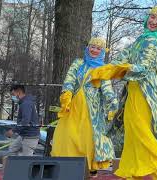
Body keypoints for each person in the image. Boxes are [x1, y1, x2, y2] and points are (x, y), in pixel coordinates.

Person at [91, 6, 157, 179]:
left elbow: (143, 69)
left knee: (141, 133)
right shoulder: (142, 39)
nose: (154, 22)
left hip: (144, 94)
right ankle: (133, 175)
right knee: (132, 135)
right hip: (133, 92)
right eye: (152, 17)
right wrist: (109, 67)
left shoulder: (154, 42)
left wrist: (118, 70)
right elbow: (123, 56)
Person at [51, 37, 118, 176]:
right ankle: (67, 166)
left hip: (91, 112)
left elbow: (107, 89)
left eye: (98, 48)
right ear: (88, 48)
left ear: (102, 52)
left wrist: (113, 104)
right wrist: (67, 94)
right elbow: (69, 80)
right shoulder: (78, 63)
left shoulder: (103, 69)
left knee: (87, 139)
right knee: (68, 135)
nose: (94, 50)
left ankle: (88, 169)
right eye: (92, 47)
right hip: (74, 107)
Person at [3, 85, 40, 167]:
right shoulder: (24, 102)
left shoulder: (26, 103)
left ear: (18, 92)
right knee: (12, 149)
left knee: (26, 160)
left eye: (13, 94)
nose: (12, 97)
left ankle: (21, 172)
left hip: (30, 136)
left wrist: (13, 130)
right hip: (24, 134)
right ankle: (13, 169)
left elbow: (25, 121)